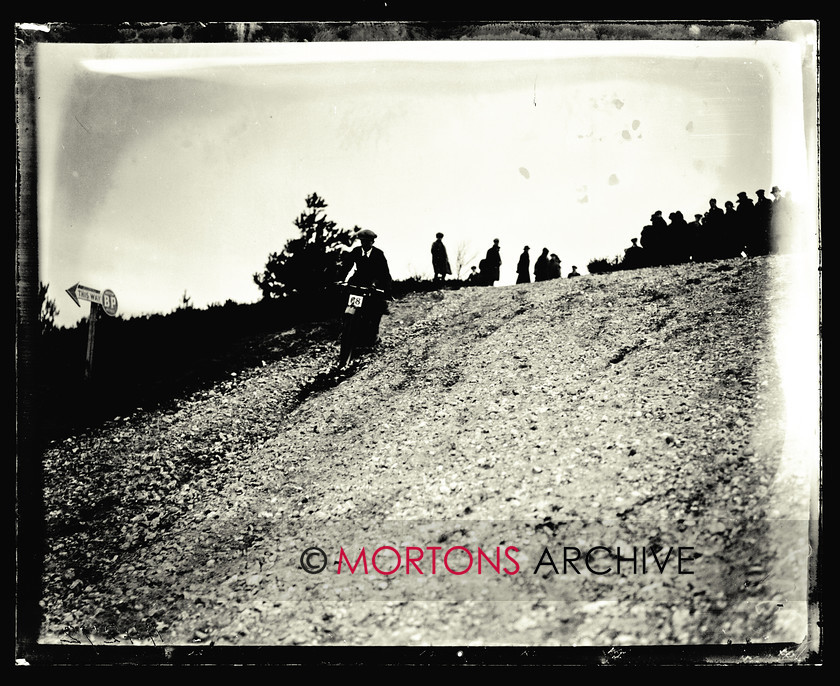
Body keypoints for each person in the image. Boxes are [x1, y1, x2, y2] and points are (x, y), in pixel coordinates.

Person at [338, 228, 393, 346]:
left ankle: (373, 336)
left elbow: (384, 273)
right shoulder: (356, 251)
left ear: (372, 242)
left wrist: (385, 289)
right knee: (345, 301)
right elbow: (346, 266)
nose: (365, 244)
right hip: (357, 281)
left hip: (373, 283)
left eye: (368, 242)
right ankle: (345, 329)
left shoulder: (379, 254)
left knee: (374, 309)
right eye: (362, 242)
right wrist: (341, 279)